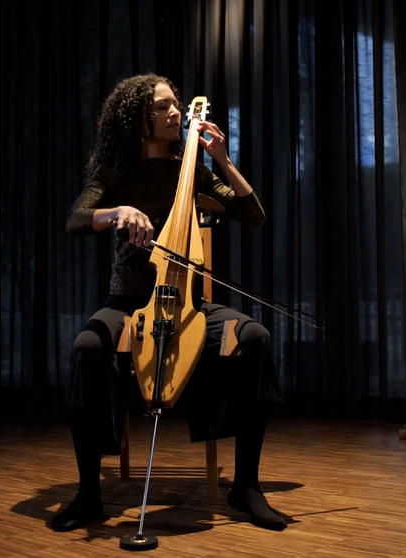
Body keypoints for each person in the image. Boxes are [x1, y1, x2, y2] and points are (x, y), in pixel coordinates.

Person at [51, 74, 286, 532]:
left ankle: (246, 486)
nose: (174, 112)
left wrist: (220, 159)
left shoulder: (192, 169)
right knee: (86, 348)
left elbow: (252, 215)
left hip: (190, 306)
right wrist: (116, 212)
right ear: (138, 118)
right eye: (162, 107)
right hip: (128, 303)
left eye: (175, 105)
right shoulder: (117, 170)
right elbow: (77, 218)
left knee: (256, 338)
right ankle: (88, 493)